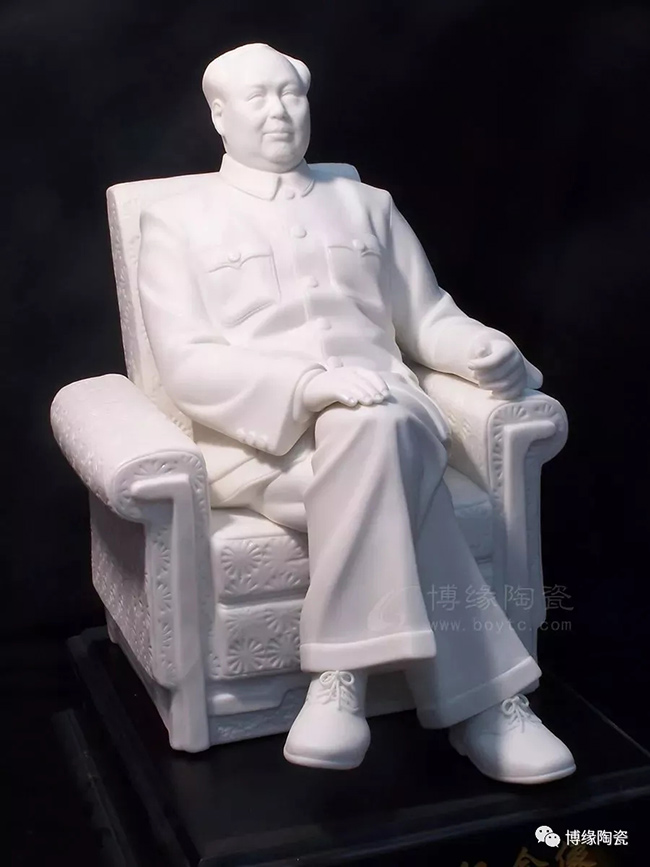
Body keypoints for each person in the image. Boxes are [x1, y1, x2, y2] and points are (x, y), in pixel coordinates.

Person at [138, 42, 575, 783]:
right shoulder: (178, 220)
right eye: (258, 97)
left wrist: (481, 348)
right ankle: (489, 706)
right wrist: (309, 386)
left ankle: (339, 675)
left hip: (392, 411)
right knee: (381, 449)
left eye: (291, 94)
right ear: (218, 114)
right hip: (268, 449)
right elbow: (186, 362)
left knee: (376, 424)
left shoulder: (368, 205)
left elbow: (427, 316)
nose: (280, 111)